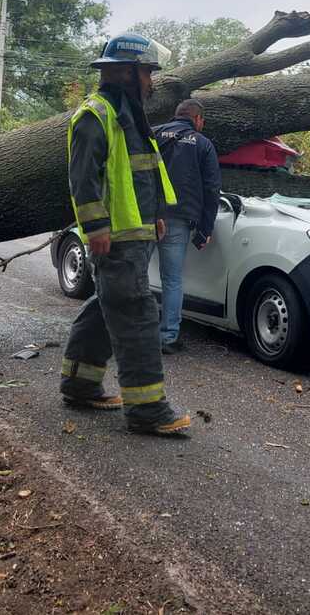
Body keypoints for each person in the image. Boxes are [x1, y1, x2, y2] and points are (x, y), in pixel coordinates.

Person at [59, 33, 191, 437]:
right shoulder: (96, 114)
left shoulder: (129, 113)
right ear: (127, 71)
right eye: (148, 72)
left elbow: (143, 173)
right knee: (136, 312)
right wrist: (95, 227)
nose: (152, 81)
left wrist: (155, 217)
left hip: (134, 232)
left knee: (108, 304)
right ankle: (148, 408)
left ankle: (80, 382)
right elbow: (83, 177)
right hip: (114, 236)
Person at [153, 99, 221, 354]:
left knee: (134, 275)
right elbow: (212, 188)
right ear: (198, 120)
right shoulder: (203, 144)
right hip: (177, 220)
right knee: (171, 280)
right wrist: (205, 229)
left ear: (176, 115)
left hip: (145, 215)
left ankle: (129, 334)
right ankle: (168, 338)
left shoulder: (155, 134)